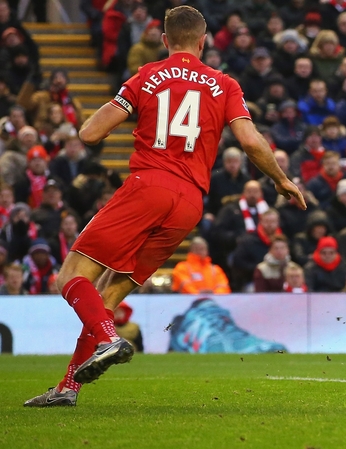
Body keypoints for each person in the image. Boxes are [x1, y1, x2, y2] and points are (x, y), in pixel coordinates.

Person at [24, 6, 305, 408]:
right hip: (189, 203)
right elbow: (252, 142)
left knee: (69, 275)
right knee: (104, 301)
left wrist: (127, 104)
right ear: (203, 41)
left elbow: (90, 133)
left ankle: (109, 338)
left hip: (148, 185)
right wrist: (281, 180)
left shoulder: (147, 75)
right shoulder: (224, 84)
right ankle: (69, 387)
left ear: (164, 39)